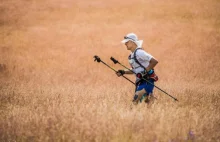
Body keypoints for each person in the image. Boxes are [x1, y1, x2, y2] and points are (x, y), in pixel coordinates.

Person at [116, 33, 159, 105]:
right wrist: (123, 72)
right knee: (147, 103)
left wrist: (145, 71)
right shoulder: (131, 56)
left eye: (127, 42)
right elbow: (135, 71)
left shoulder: (140, 52)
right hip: (140, 82)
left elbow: (154, 61)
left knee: (135, 102)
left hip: (147, 81)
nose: (125, 44)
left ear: (132, 42)